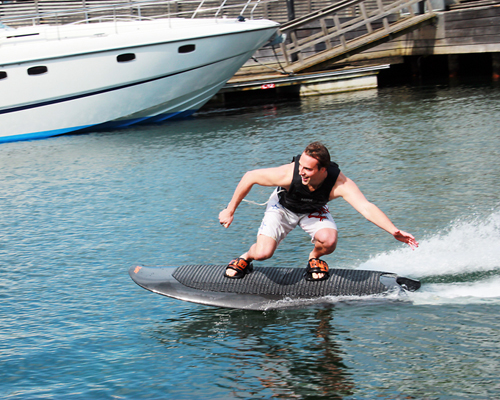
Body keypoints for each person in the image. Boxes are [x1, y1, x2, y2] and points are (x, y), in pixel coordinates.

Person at [218, 142, 418, 281]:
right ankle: (246, 258)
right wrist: (230, 209)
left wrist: (393, 230)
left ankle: (314, 258)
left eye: (308, 169)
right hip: (283, 208)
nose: (301, 172)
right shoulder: (289, 174)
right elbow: (250, 176)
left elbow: (366, 207)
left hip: (313, 208)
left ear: (324, 169)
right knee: (263, 253)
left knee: (329, 241)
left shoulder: (339, 183)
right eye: (301, 166)